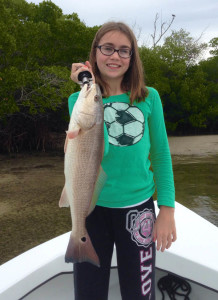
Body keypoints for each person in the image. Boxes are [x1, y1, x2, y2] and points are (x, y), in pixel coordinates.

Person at [69, 21, 176, 300]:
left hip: (137, 209)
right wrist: (88, 85)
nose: (115, 56)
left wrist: (167, 209)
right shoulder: (78, 100)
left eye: (123, 51)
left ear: (132, 58)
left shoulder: (148, 97)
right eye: (107, 48)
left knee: (138, 293)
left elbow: (161, 155)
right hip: (91, 209)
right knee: (88, 293)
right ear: (94, 53)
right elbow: (93, 152)